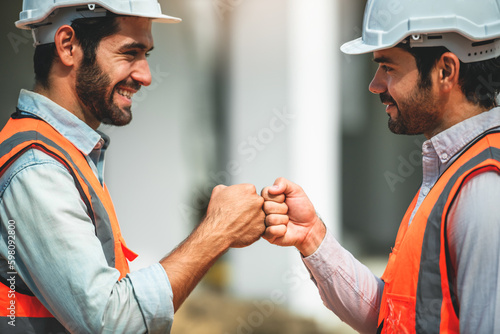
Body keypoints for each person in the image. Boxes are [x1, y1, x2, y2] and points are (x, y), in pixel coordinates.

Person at [0, 1, 265, 333]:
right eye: (130, 53)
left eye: (147, 55)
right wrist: (218, 231)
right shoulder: (38, 168)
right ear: (68, 46)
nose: (145, 76)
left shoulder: (66, 153)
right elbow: (111, 322)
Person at [262, 0, 500, 333]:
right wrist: (312, 237)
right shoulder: (456, 170)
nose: (375, 85)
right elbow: (394, 317)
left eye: (388, 67)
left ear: (445, 71)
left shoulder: (484, 187)